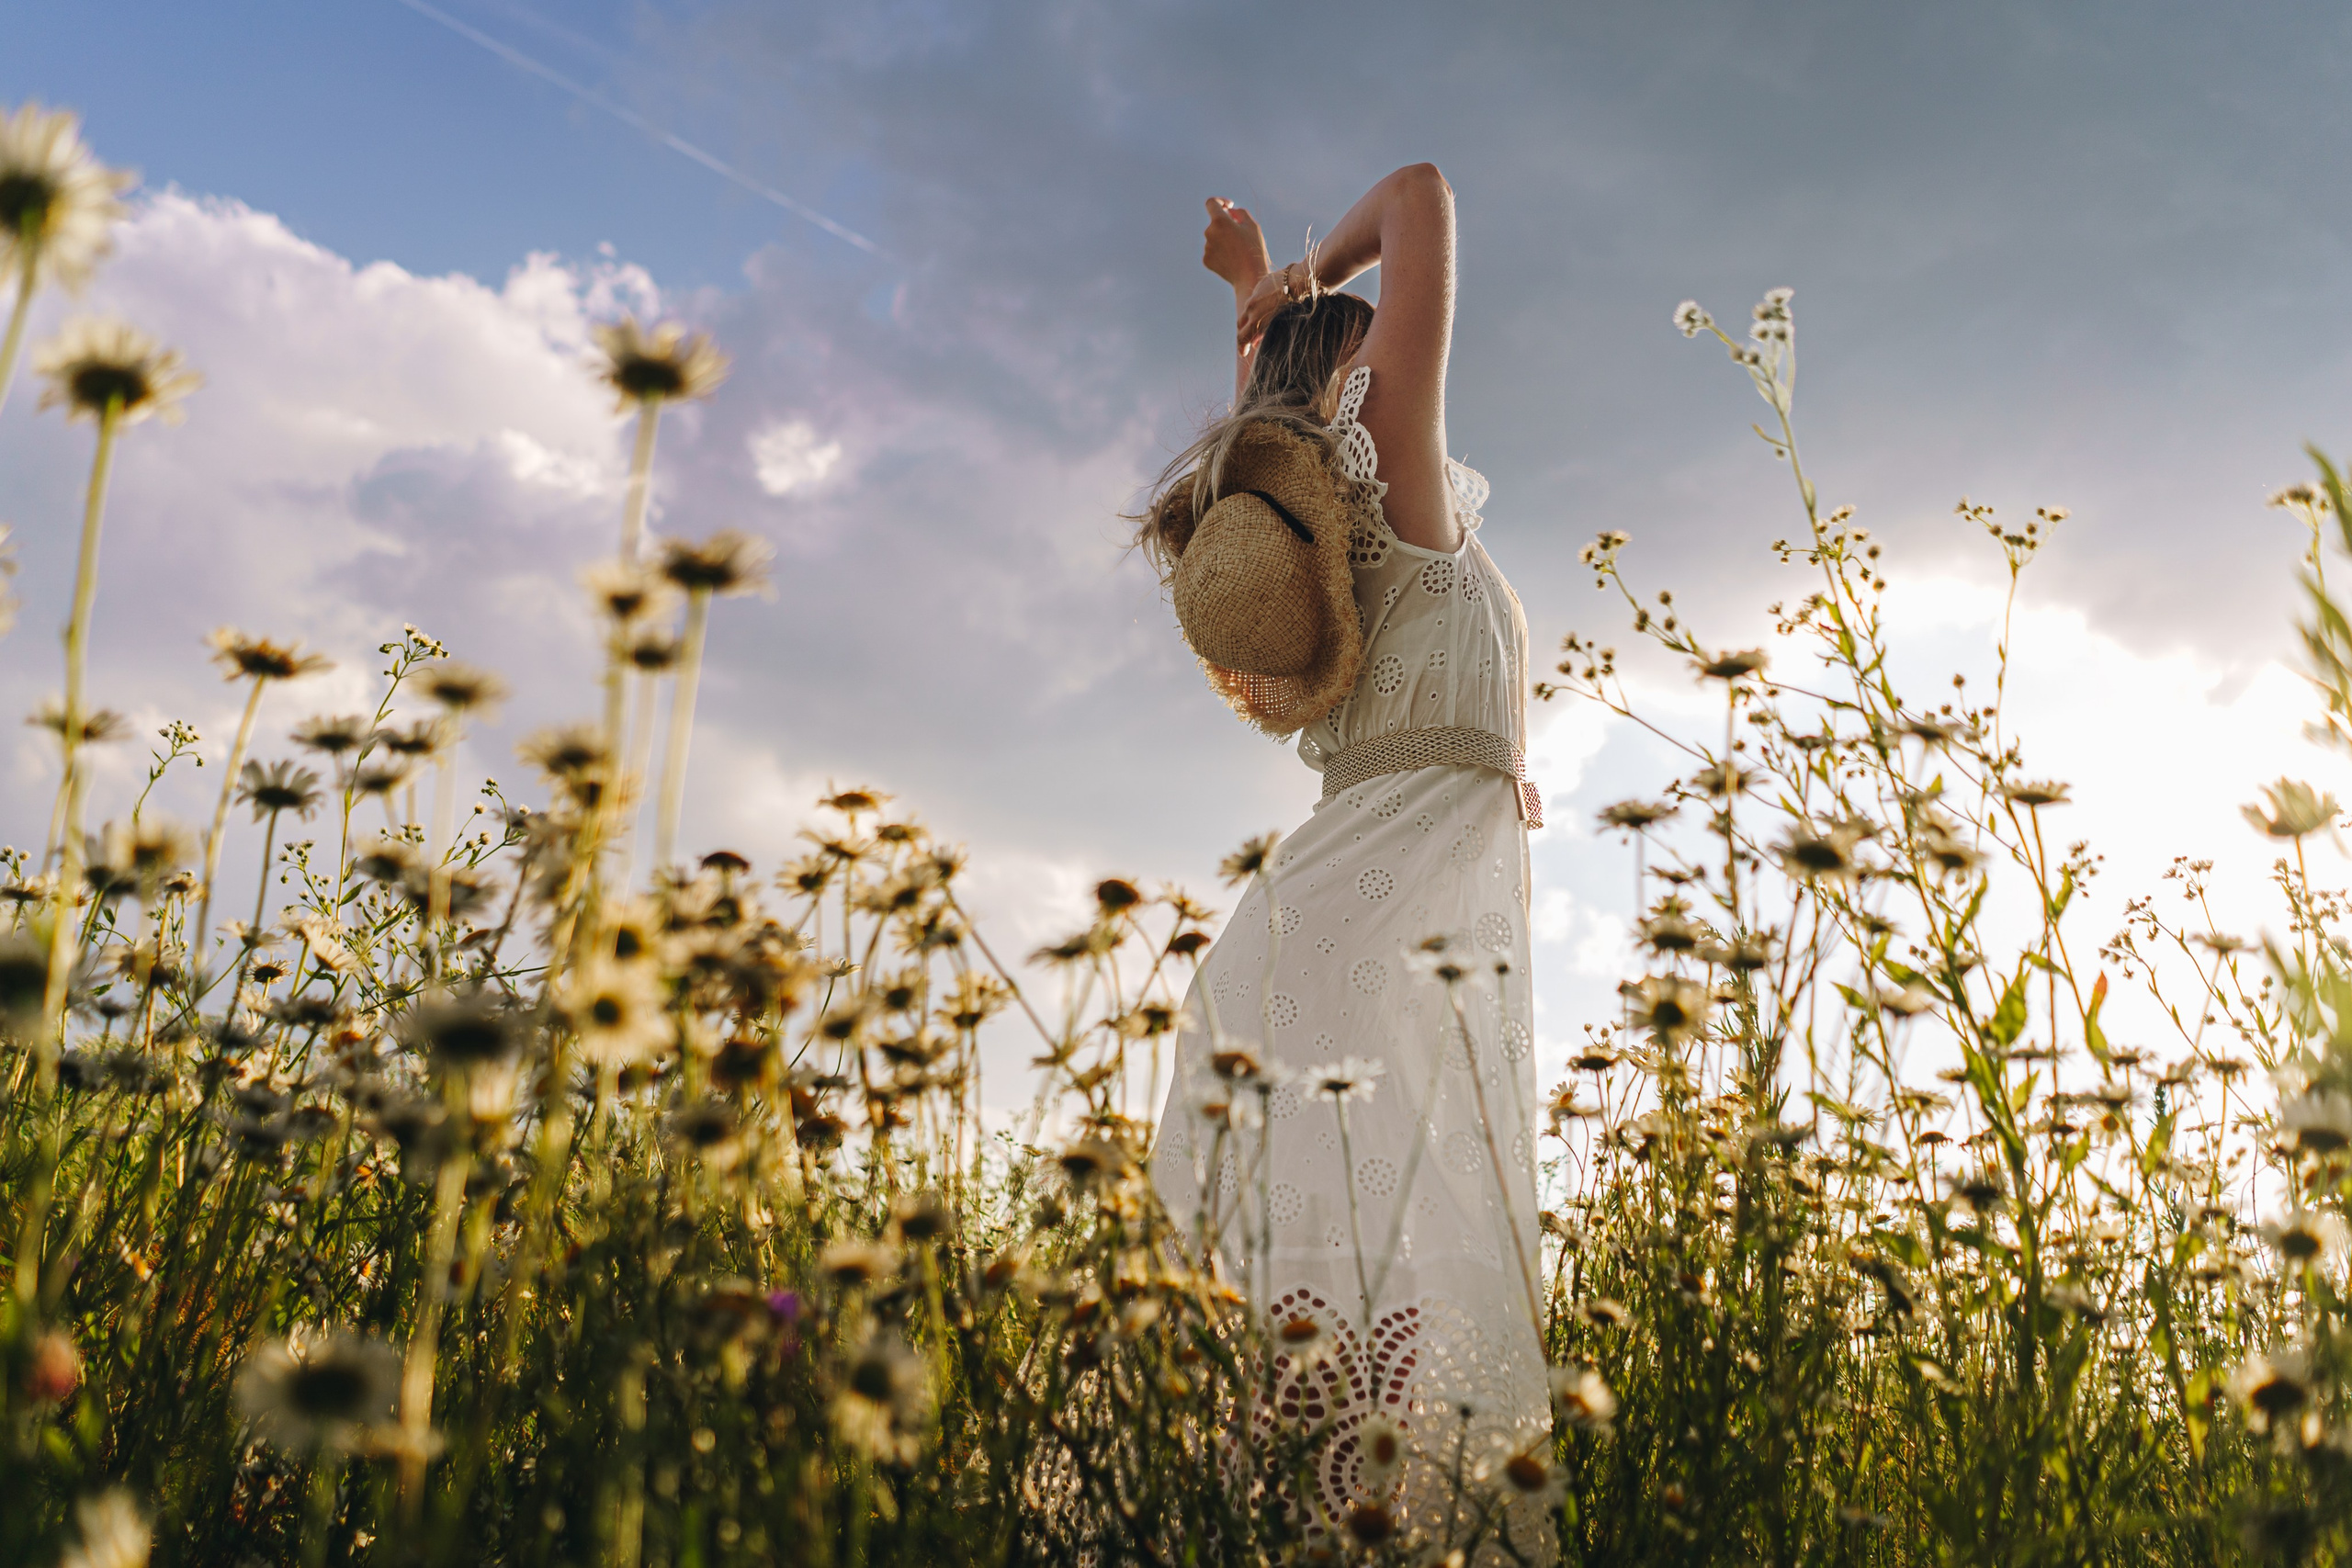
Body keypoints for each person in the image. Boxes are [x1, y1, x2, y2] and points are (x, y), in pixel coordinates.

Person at [1137, 165, 1552, 1556]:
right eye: (1370, 348)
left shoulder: (1321, 547)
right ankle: (1357, 1533)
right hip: (1371, 935)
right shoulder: (1407, 482)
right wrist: (1289, 280)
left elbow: (1269, 434)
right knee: (1402, 1246)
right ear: (1357, 377)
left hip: (1318, 924)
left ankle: (1284, 1525)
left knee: (1342, 1257)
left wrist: (1251, 302)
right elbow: (1429, 191)